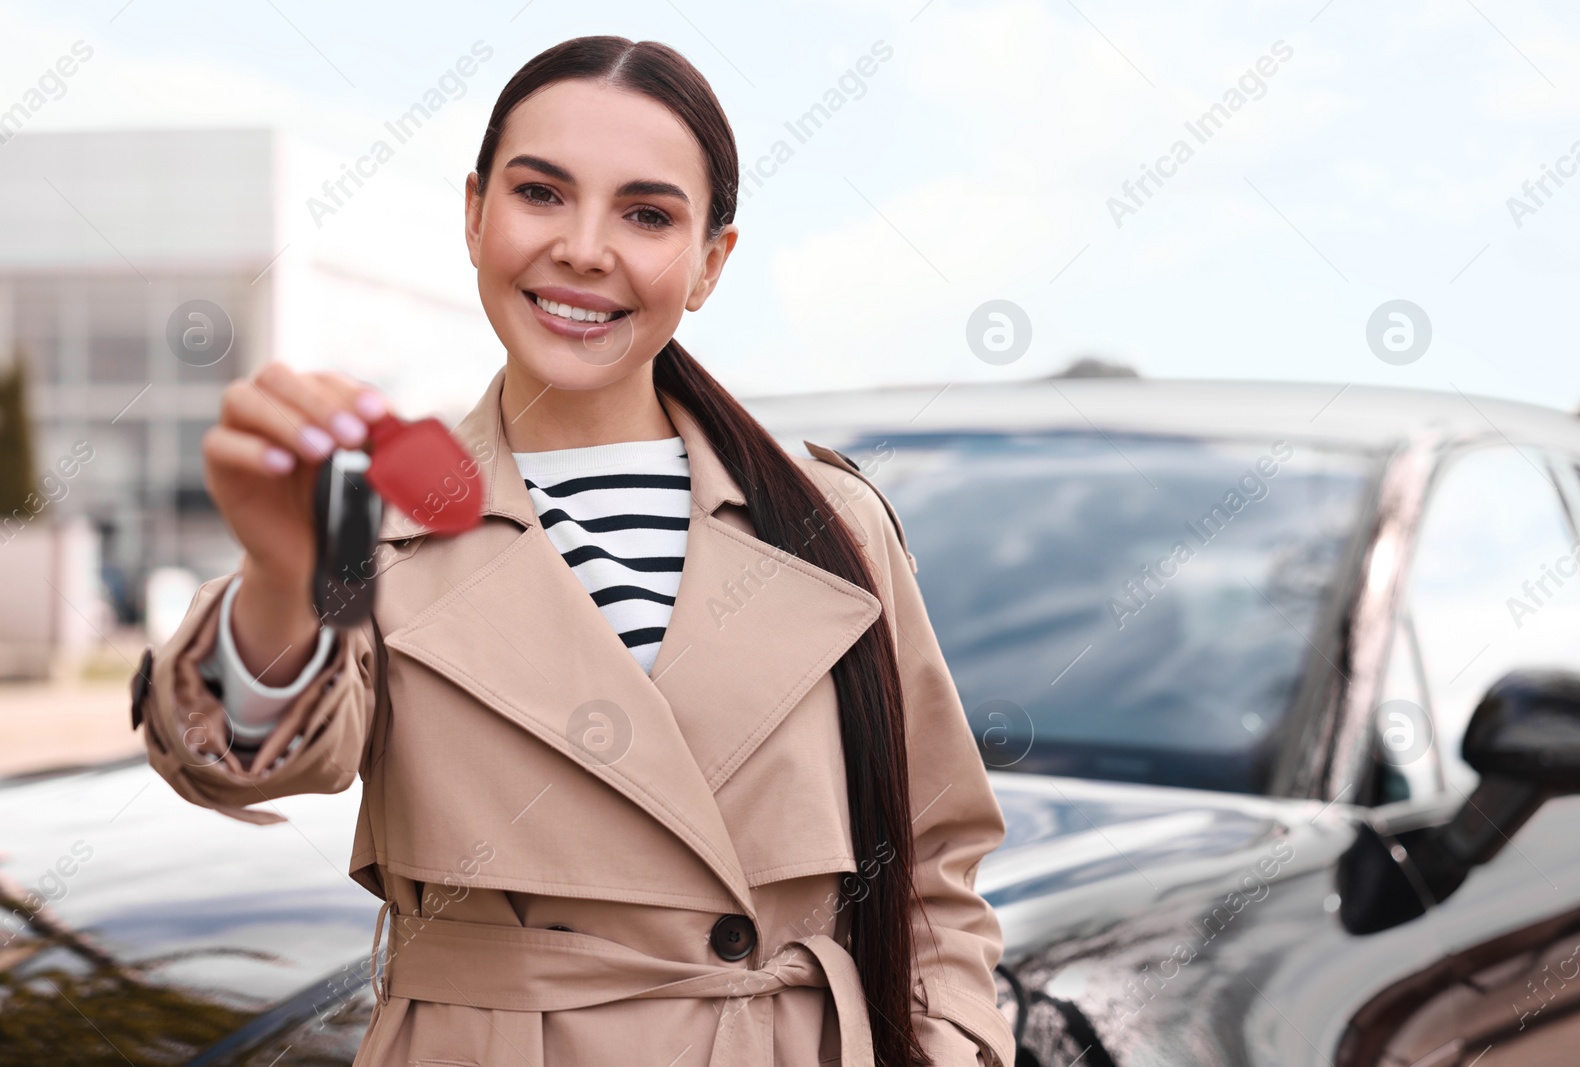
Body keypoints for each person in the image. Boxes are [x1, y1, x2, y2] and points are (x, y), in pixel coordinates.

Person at [136, 34, 1014, 1067]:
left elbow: (934, 862)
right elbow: (239, 765)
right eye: (541, 194)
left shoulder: (830, 520)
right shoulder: (374, 516)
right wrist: (284, 576)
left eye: (646, 214)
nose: (585, 249)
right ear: (474, 215)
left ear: (709, 264)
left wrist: (955, 1047)